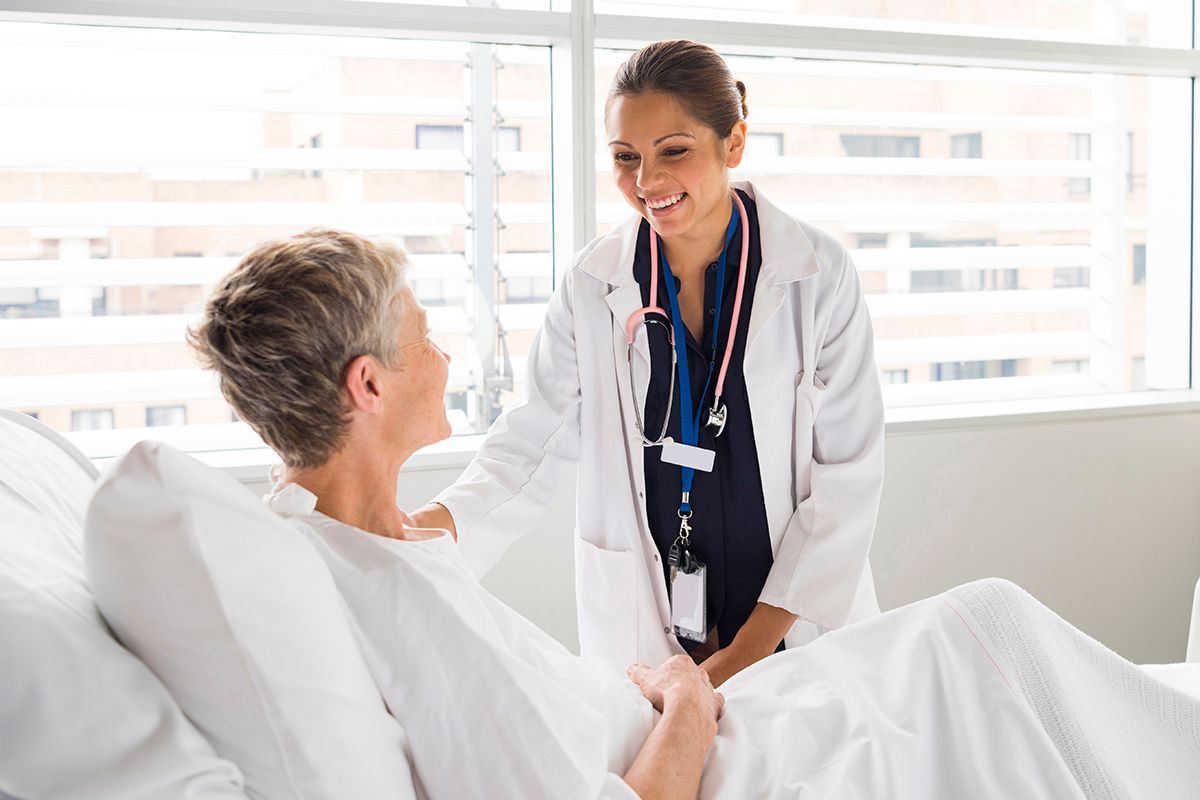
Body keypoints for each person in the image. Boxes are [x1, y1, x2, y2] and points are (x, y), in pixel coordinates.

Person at [189, 229, 1200, 799]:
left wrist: (705, 682)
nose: (447, 358)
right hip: (717, 749)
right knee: (989, 641)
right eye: (424, 339)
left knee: (983, 633)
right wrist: (687, 695)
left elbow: (844, 479)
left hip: (717, 715)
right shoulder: (392, 600)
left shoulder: (332, 545)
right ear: (367, 385)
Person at [410, 39, 885, 685]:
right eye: (625, 157)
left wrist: (736, 661)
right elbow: (528, 445)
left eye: (675, 152)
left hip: (787, 622)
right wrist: (417, 532)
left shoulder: (816, 274)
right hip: (653, 620)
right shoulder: (592, 284)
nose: (646, 182)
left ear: (733, 144)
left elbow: (848, 477)